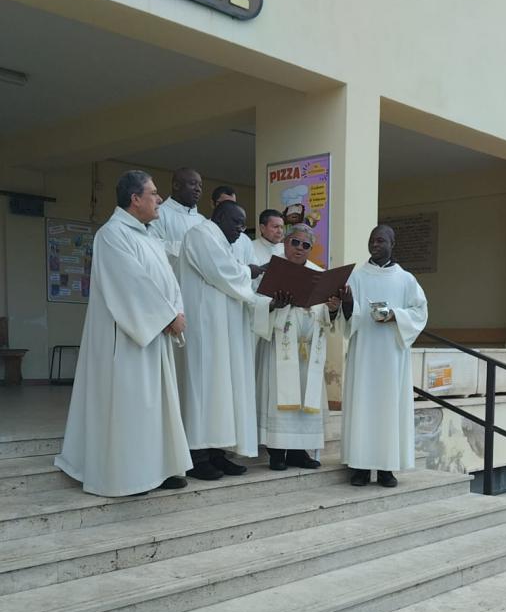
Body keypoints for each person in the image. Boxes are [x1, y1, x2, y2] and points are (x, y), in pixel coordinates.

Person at [55, 170, 191, 496]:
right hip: (128, 338)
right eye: (153, 193)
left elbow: (168, 280)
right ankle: (131, 476)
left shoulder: (149, 236)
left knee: (157, 407)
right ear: (135, 199)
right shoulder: (111, 234)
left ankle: (162, 469)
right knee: (132, 407)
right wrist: (167, 316)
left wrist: (177, 311)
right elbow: (130, 284)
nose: (159, 199)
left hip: (154, 335)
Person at [177, 200, 272, 480]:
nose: (241, 229)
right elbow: (223, 272)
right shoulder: (200, 234)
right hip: (206, 329)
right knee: (205, 390)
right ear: (219, 217)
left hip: (226, 330)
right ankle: (197, 456)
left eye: (243, 224)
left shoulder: (223, 240)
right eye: (236, 222)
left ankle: (218, 452)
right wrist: (251, 271)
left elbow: (234, 277)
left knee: (223, 392)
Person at [336, 224, 427, 488]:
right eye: (372, 240)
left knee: (389, 408)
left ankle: (387, 469)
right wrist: (347, 304)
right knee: (362, 406)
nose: (375, 245)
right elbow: (347, 317)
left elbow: (420, 312)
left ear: (392, 244)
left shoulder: (406, 279)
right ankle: (360, 467)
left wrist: (395, 315)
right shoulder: (356, 277)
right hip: (363, 353)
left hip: (391, 355)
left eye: (380, 241)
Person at [256, 225, 330, 470]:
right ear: (286, 243)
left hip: (308, 349)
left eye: (305, 245)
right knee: (278, 397)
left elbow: (327, 315)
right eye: (295, 242)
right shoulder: (271, 270)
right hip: (280, 346)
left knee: (305, 397)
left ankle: (299, 452)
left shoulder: (319, 275)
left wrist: (333, 307)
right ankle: (277, 452)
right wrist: (273, 305)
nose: (299, 248)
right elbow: (254, 304)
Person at [150, 167, 204, 268]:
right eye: (192, 183)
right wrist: (190, 249)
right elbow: (153, 246)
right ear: (176, 185)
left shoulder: (203, 221)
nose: (198, 189)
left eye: (200, 185)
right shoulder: (158, 213)